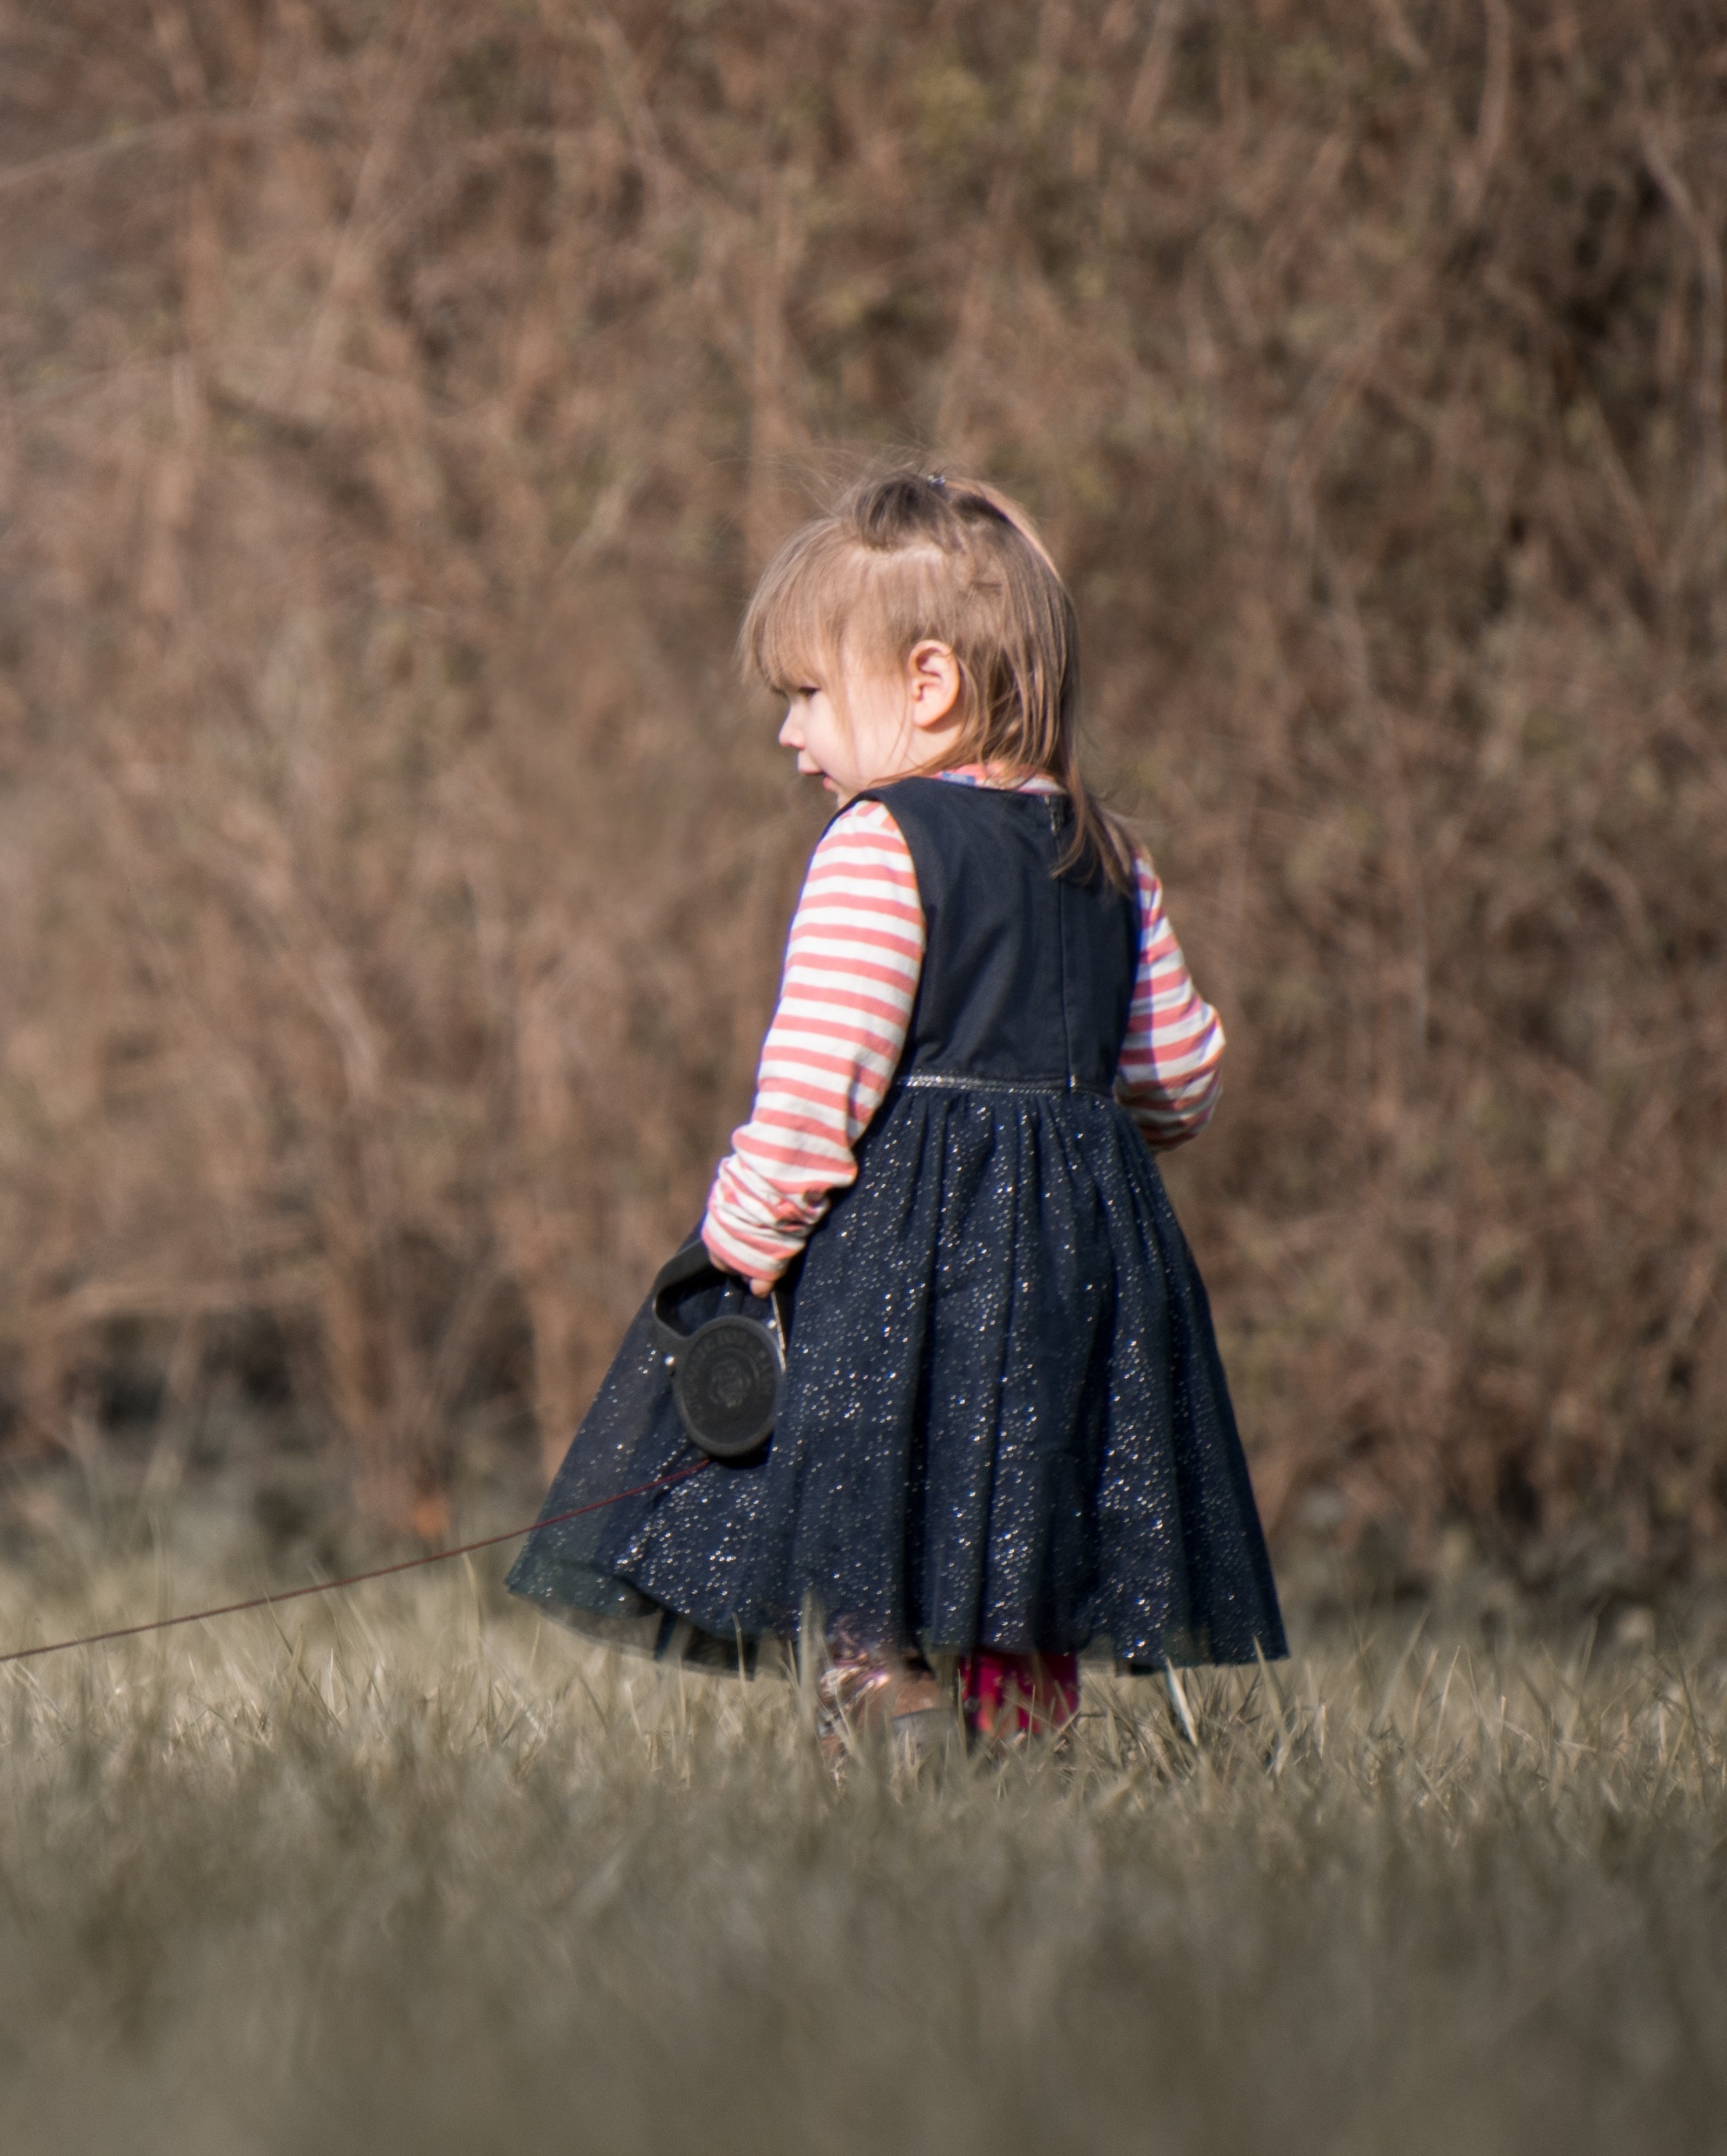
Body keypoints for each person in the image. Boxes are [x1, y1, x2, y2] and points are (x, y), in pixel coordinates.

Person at [507, 469, 1285, 1752]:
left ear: (928, 685)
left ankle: (880, 1714)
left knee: (866, 1520)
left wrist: (741, 1244)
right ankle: (1013, 1765)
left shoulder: (878, 845)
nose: (790, 735)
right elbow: (1180, 1077)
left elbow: (818, 1090)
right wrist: (1070, 1134)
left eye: (809, 696)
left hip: (905, 1260)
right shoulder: (1108, 855)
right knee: (1021, 1528)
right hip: (1083, 1273)